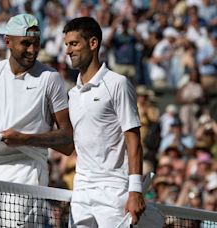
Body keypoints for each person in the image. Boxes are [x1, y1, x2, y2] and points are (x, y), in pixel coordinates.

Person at [0, 13, 74, 226]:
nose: (32, 50)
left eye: (36, 44)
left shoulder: (50, 78)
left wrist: (24, 139)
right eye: (26, 43)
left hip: (28, 170)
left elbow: (67, 140)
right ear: (7, 42)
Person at [63, 17, 149, 227]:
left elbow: (133, 140)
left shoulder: (117, 83)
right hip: (81, 190)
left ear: (93, 44)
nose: (68, 51)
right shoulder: (72, 94)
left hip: (113, 190)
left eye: (74, 44)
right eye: (67, 45)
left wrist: (135, 190)